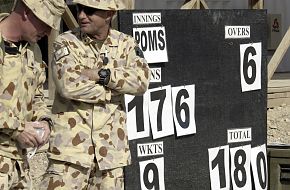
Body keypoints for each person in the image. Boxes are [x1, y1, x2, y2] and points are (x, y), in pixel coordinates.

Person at [41, 0, 150, 189]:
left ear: (109, 13)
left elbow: (141, 81)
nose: (81, 15)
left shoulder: (126, 43)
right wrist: (112, 92)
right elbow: (68, 85)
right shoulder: (66, 41)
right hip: (70, 155)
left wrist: (103, 75)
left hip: (110, 157)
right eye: (78, 9)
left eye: (89, 10)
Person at [0, 0, 65, 189]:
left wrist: (45, 121)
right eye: (45, 23)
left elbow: (37, 96)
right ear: (27, 12)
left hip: (19, 167)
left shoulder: (33, 51)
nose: (48, 31)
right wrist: (18, 128)